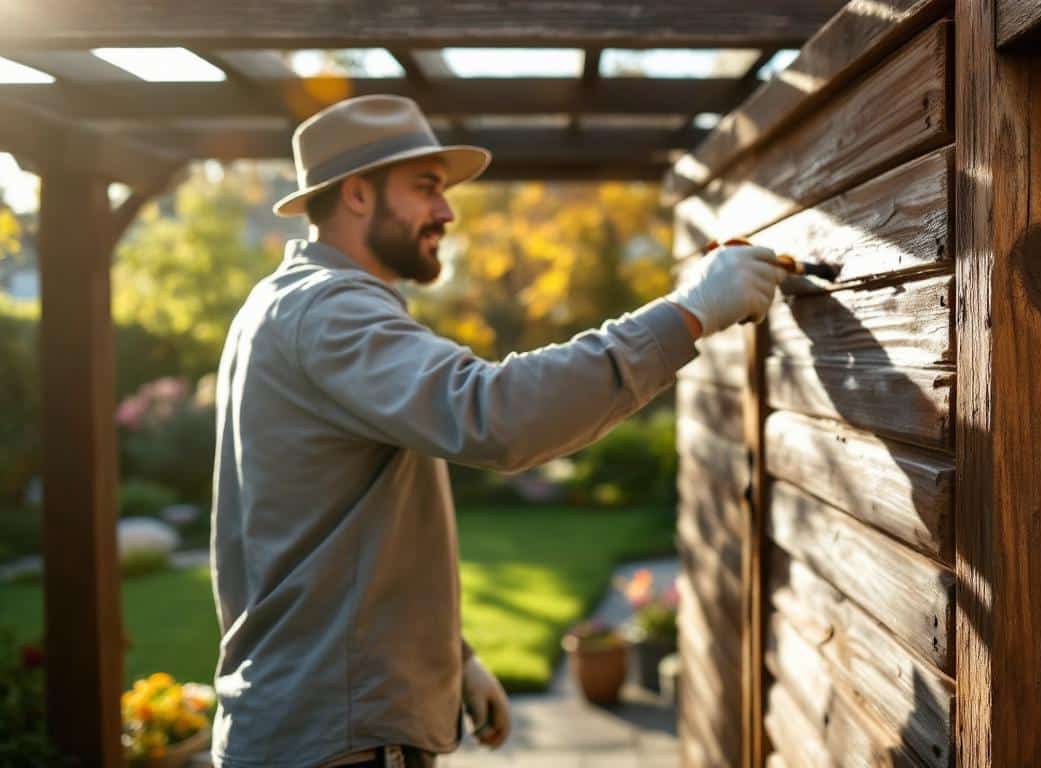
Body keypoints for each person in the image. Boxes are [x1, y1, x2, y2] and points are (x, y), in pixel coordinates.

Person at [209, 94, 786, 768]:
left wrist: (451, 658)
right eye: (426, 188)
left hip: (319, 720)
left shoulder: (280, 303)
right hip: (337, 740)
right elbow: (495, 414)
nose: (447, 211)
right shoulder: (327, 311)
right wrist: (688, 314)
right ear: (358, 196)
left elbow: (325, 534)